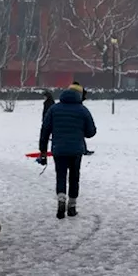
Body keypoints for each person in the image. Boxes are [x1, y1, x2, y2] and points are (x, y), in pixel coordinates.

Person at [39, 83, 97, 219]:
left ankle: (61, 200)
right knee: (74, 177)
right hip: (76, 150)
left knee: (61, 176)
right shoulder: (83, 110)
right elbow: (91, 132)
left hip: (59, 149)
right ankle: (72, 206)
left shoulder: (54, 109)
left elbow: (45, 130)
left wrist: (43, 150)